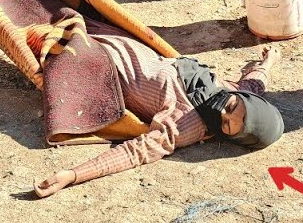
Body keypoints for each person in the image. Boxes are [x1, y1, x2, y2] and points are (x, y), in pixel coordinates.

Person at [33, 42, 285, 198]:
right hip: (119, 39)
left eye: (227, 125)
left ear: (233, 138)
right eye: (231, 107)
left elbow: (136, 152)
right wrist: (269, 61)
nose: (222, 113)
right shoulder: (234, 91)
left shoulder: (188, 124)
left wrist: (73, 175)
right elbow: (255, 83)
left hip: (89, 59)